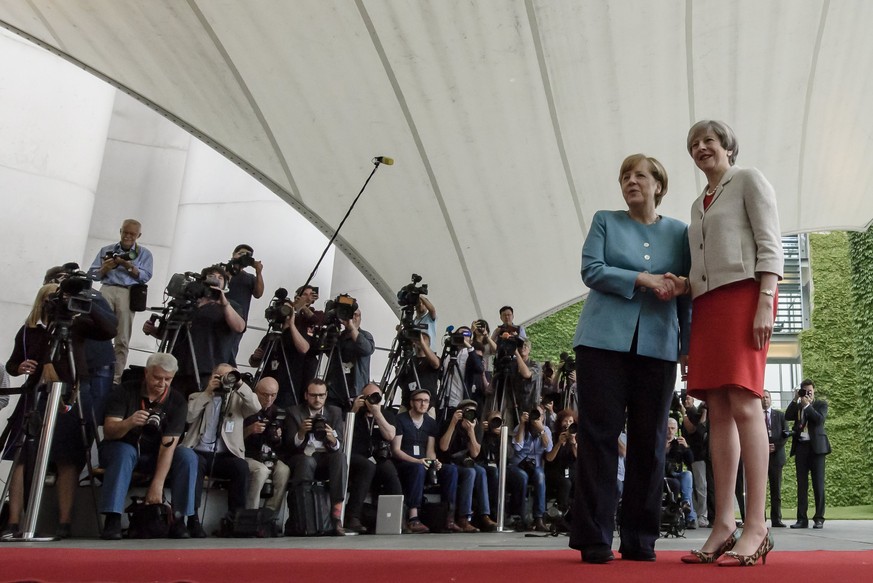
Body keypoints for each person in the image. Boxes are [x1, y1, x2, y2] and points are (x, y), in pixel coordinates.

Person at [670, 121, 783, 567]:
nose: (701, 148)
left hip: (745, 297)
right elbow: (700, 264)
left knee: (744, 402)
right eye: (694, 144)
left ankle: (757, 525)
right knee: (716, 410)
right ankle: (723, 523)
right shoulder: (698, 203)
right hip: (708, 307)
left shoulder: (749, 180)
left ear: (727, 147)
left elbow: (770, 243)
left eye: (709, 141)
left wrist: (765, 303)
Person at [569, 153, 691, 564]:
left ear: (659, 184)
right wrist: (641, 278)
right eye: (624, 175)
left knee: (651, 441)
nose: (630, 181)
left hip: (659, 346)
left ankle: (641, 538)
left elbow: (686, 295)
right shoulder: (605, 220)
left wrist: (687, 346)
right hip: (601, 342)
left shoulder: (681, 232)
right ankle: (594, 538)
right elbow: (592, 269)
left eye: (640, 175)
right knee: (598, 437)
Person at [2, 279, 118, 539]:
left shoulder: (77, 325)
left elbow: (109, 329)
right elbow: (12, 364)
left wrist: (88, 300)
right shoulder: (29, 331)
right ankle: (13, 520)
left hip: (71, 392)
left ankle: (64, 522)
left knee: (69, 457)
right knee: (22, 456)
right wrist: (20, 368)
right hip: (36, 393)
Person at [98, 353, 199, 539]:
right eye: (157, 377)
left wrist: (157, 485)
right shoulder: (124, 391)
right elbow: (109, 432)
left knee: (187, 456)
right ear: (146, 373)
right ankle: (112, 518)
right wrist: (129, 422)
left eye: (167, 379)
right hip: (122, 448)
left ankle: (179, 519)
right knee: (124, 452)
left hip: (156, 454)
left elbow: (169, 445)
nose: (161, 383)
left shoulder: (177, 401)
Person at [180, 363, 261, 535]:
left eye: (229, 376)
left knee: (241, 467)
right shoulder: (197, 396)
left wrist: (239, 384)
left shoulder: (238, 399)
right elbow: (188, 417)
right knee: (195, 464)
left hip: (226, 453)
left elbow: (256, 406)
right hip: (198, 450)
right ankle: (192, 518)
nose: (225, 380)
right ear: (212, 377)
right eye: (221, 376)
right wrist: (208, 392)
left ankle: (235, 520)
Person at [144, 265, 246, 396]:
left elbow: (239, 327)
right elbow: (171, 334)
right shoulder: (187, 303)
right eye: (211, 276)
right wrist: (153, 330)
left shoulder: (232, 306)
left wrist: (224, 304)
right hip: (179, 368)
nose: (216, 279)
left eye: (220, 277)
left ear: (225, 283)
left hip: (210, 370)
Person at [88, 219, 154, 385]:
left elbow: (145, 276)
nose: (128, 236)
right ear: (120, 231)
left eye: (132, 234)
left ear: (139, 235)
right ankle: (94, 371)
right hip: (107, 289)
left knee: (122, 337)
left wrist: (126, 264)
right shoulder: (106, 250)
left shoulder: (144, 254)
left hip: (128, 292)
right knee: (98, 331)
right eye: (125, 232)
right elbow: (92, 275)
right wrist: (105, 267)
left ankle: (115, 379)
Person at [279, 378, 348, 536]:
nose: (317, 399)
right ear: (306, 395)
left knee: (340, 457)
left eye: (321, 395)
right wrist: (301, 433)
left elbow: (339, 445)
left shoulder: (335, 412)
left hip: (326, 457)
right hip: (302, 456)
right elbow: (289, 446)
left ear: (326, 395)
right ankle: (304, 517)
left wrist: (332, 439)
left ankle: (336, 517)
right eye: (313, 395)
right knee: (306, 461)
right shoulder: (294, 412)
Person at [391, 388, 460, 533]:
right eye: (419, 400)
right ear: (411, 402)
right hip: (405, 462)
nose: (423, 404)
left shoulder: (430, 423)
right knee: (418, 468)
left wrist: (434, 461)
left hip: (424, 461)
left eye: (426, 401)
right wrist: (417, 461)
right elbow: (396, 450)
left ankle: (448, 516)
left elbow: (430, 450)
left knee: (450, 470)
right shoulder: (400, 419)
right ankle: (413, 517)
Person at [345, 382, 402, 534]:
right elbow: (343, 437)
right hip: (357, 456)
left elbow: (390, 435)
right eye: (367, 397)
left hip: (379, 456)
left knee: (390, 472)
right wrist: (354, 410)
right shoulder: (354, 414)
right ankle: (353, 517)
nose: (371, 400)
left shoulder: (387, 414)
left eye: (375, 397)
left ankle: (397, 518)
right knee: (367, 467)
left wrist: (377, 413)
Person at [438, 398, 491, 532]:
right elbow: (443, 447)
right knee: (471, 472)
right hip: (448, 463)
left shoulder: (475, 427)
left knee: (481, 471)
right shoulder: (449, 423)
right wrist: (453, 423)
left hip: (466, 463)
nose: (470, 415)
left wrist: (471, 432)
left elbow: (475, 454)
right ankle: (463, 517)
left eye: (473, 412)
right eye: (467, 412)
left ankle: (485, 515)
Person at [785, 379, 831, 529]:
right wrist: (795, 399)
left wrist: (807, 405)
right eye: (804, 391)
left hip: (817, 449)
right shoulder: (798, 406)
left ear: (814, 391)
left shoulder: (820, 405)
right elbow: (787, 415)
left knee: (818, 484)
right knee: (801, 485)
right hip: (801, 448)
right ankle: (802, 519)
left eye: (809, 391)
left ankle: (819, 518)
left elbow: (819, 420)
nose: (807, 394)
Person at [243, 377, 290, 512]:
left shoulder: (278, 413)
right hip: (248, 454)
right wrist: (250, 429)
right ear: (256, 392)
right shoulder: (247, 408)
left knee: (284, 470)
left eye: (273, 395)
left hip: (270, 455)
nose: (269, 399)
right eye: (265, 394)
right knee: (261, 471)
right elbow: (233, 438)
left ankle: (269, 515)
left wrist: (279, 436)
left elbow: (283, 445)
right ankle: (250, 514)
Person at [507, 405, 552, 532]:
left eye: (540, 415)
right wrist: (522, 424)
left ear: (543, 417)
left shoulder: (546, 430)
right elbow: (517, 447)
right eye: (535, 414)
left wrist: (541, 430)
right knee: (522, 477)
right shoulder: (521, 427)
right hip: (518, 465)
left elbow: (548, 449)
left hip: (535, 466)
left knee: (540, 476)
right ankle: (520, 517)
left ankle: (539, 518)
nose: (536, 417)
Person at [326, 307, 375, 409]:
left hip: (355, 390)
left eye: (356, 315)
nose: (353, 318)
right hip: (335, 390)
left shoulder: (365, 335)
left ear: (360, 318)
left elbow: (366, 349)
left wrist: (352, 327)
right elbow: (327, 351)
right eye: (350, 315)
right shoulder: (338, 336)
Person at [224, 244, 265, 364]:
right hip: (219, 317)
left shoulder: (250, 277)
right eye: (240, 253)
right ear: (233, 254)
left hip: (238, 321)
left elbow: (258, 293)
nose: (243, 257)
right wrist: (231, 268)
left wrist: (258, 271)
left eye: (247, 256)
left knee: (230, 352)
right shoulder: (221, 271)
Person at [762, 390, 789, 527]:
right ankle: (760, 519)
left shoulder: (779, 415)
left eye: (767, 397)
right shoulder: (755, 417)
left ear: (770, 399)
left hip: (776, 457)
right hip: (760, 457)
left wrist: (775, 446)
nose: (765, 400)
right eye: (762, 397)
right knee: (760, 490)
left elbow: (786, 434)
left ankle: (776, 519)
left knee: (775, 489)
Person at [664, 417, 697, 529]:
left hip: (675, 473)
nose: (670, 431)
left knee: (687, 474)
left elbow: (690, 461)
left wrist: (686, 447)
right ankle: (691, 516)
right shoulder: (658, 441)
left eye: (673, 428)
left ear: (676, 429)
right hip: (661, 473)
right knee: (681, 482)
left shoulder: (679, 443)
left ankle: (686, 504)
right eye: (668, 428)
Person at [681, 394, 709, 528]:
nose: (686, 401)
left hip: (698, 455)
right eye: (685, 399)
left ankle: (702, 514)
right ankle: (696, 513)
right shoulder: (690, 415)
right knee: (694, 486)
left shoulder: (694, 414)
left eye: (689, 399)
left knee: (701, 486)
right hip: (690, 455)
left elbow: (695, 431)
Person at [544, 409, 577, 514]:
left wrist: (573, 443)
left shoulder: (576, 437)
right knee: (565, 483)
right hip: (555, 470)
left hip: (571, 470)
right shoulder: (553, 436)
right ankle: (562, 511)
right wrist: (558, 443)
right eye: (565, 421)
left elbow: (578, 457)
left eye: (570, 421)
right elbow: (549, 458)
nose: (568, 424)